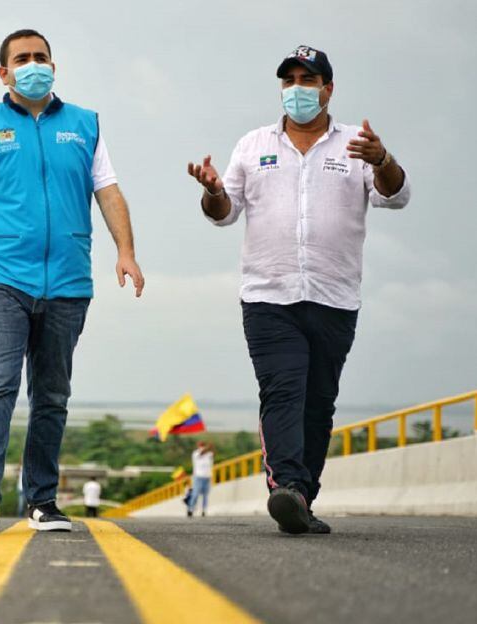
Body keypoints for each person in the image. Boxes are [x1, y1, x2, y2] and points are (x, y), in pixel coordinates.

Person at [0, 28, 145, 536]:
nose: (33, 64)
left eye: (41, 56)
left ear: (54, 65)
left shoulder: (85, 126)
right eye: (21, 59)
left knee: (51, 395)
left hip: (68, 281)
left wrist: (125, 251)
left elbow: (108, 193)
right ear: (3, 72)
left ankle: (41, 500)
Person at [188, 45, 410, 534]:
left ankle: (303, 499)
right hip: (269, 295)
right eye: (288, 80)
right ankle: (285, 486)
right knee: (283, 388)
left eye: (307, 80)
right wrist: (211, 190)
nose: (296, 90)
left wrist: (383, 159)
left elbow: (396, 195)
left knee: (319, 401)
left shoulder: (357, 144)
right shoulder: (252, 145)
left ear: (328, 89)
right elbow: (225, 213)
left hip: (335, 296)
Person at [188, 441, 213, 517]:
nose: (202, 446)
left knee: (205, 495)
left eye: (203, 445)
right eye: (200, 445)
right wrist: (207, 447)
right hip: (198, 477)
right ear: (198, 446)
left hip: (207, 477)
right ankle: (191, 509)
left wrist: (211, 447)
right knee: (195, 494)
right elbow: (202, 452)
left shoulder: (209, 454)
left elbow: (212, 454)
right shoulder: (195, 454)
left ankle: (204, 510)